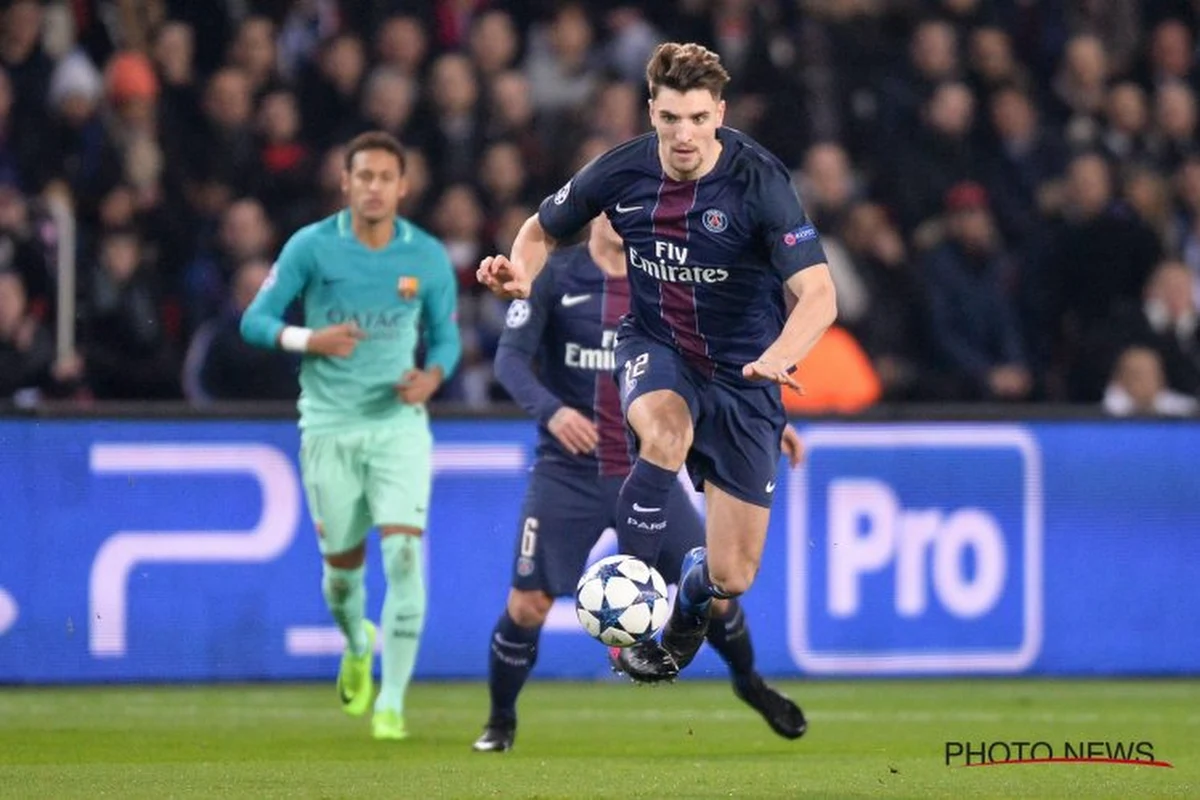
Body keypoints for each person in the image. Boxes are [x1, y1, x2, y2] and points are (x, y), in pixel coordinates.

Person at [478, 42, 837, 684]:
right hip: (656, 345)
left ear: (719, 114)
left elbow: (819, 294)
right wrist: (523, 275)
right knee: (665, 433)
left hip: (747, 374)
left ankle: (688, 605)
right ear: (652, 113)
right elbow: (539, 229)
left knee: (733, 575)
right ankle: (633, 600)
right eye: (671, 118)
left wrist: (781, 355)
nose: (684, 135)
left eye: (698, 118)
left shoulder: (761, 182)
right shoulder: (620, 172)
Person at [472, 215, 808, 752]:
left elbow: (710, 367)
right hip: (568, 472)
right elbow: (509, 359)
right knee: (527, 603)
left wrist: (770, 420)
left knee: (719, 589)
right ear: (596, 210)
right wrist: (553, 411)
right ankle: (500, 721)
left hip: (648, 474)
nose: (629, 215)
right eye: (616, 205)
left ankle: (751, 684)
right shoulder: (556, 274)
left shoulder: (663, 283)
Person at [241, 131, 461, 740]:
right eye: (362, 176)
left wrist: (432, 377)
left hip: (398, 427)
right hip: (330, 426)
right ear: (345, 182)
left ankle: (391, 704)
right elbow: (254, 321)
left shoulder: (426, 257)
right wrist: (308, 339)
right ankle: (357, 642)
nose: (373, 187)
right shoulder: (311, 248)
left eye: (385, 177)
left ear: (402, 186)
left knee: (404, 554)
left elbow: (446, 339)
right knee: (342, 578)